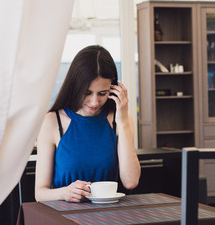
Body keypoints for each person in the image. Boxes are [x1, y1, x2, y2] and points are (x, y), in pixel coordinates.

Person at [35, 45, 141, 202]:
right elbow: (40, 193)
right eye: (87, 93)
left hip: (108, 216)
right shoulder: (52, 122)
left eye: (102, 93)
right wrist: (64, 193)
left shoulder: (119, 121)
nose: (95, 101)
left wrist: (123, 120)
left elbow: (131, 182)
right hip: (64, 217)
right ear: (75, 87)